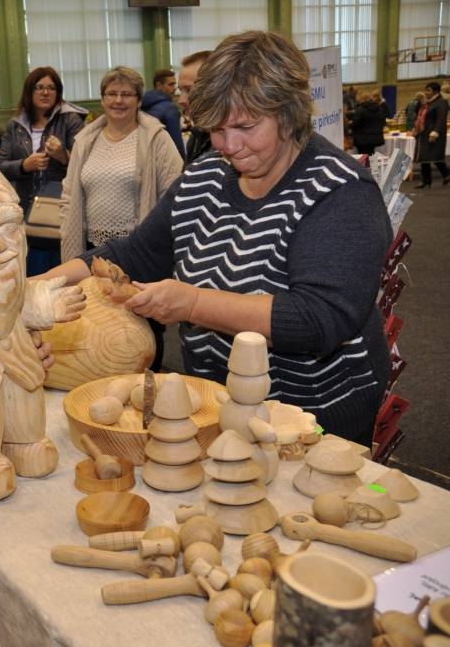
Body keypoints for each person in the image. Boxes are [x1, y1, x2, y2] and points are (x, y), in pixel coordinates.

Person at [40, 31, 393, 446]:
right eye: (216, 129)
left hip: (313, 413)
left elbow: (316, 319)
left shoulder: (339, 190)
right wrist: (36, 291)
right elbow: (131, 254)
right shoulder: (205, 175)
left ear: (290, 112)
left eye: (244, 126)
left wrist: (192, 303)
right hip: (215, 404)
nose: (228, 145)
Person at [60, 66, 182, 371]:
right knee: (97, 327)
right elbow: (69, 195)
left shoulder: (156, 139)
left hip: (139, 253)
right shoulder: (86, 140)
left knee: (143, 328)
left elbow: (174, 191)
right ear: (102, 99)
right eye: (112, 93)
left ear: (138, 99)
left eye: (127, 94)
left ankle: (148, 386)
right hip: (93, 252)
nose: (119, 100)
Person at [0, 65, 87, 276]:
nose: (45, 92)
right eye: (39, 87)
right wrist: (24, 166)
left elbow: (87, 163)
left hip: (61, 211)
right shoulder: (14, 125)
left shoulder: (71, 121)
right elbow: (0, 166)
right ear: (30, 91)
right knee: (30, 274)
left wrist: (64, 156)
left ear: (58, 92)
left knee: (62, 273)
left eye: (51, 88)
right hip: (24, 212)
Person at [177, 50, 213, 163]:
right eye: (180, 90)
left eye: (188, 90)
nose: (180, 100)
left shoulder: (234, 143)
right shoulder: (197, 135)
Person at [140, 68, 184, 157]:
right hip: (166, 157)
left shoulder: (142, 104)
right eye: (171, 84)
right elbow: (176, 142)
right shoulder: (170, 108)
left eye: (174, 84)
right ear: (159, 85)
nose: (175, 88)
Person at [414, 81, 449, 188]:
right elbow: (417, 113)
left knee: (433, 157)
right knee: (426, 157)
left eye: (428, 90)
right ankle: (427, 180)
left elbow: (441, 119)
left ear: (436, 91)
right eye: (426, 90)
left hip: (434, 134)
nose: (426, 92)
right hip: (424, 133)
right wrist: (420, 101)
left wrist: (435, 132)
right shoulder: (427, 102)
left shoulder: (441, 102)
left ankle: (445, 175)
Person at [350, 90, 387, 156]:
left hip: (362, 139)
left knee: (363, 159)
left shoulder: (360, 110)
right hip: (375, 138)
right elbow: (383, 121)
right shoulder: (379, 108)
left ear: (360, 99)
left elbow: (355, 124)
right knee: (370, 156)